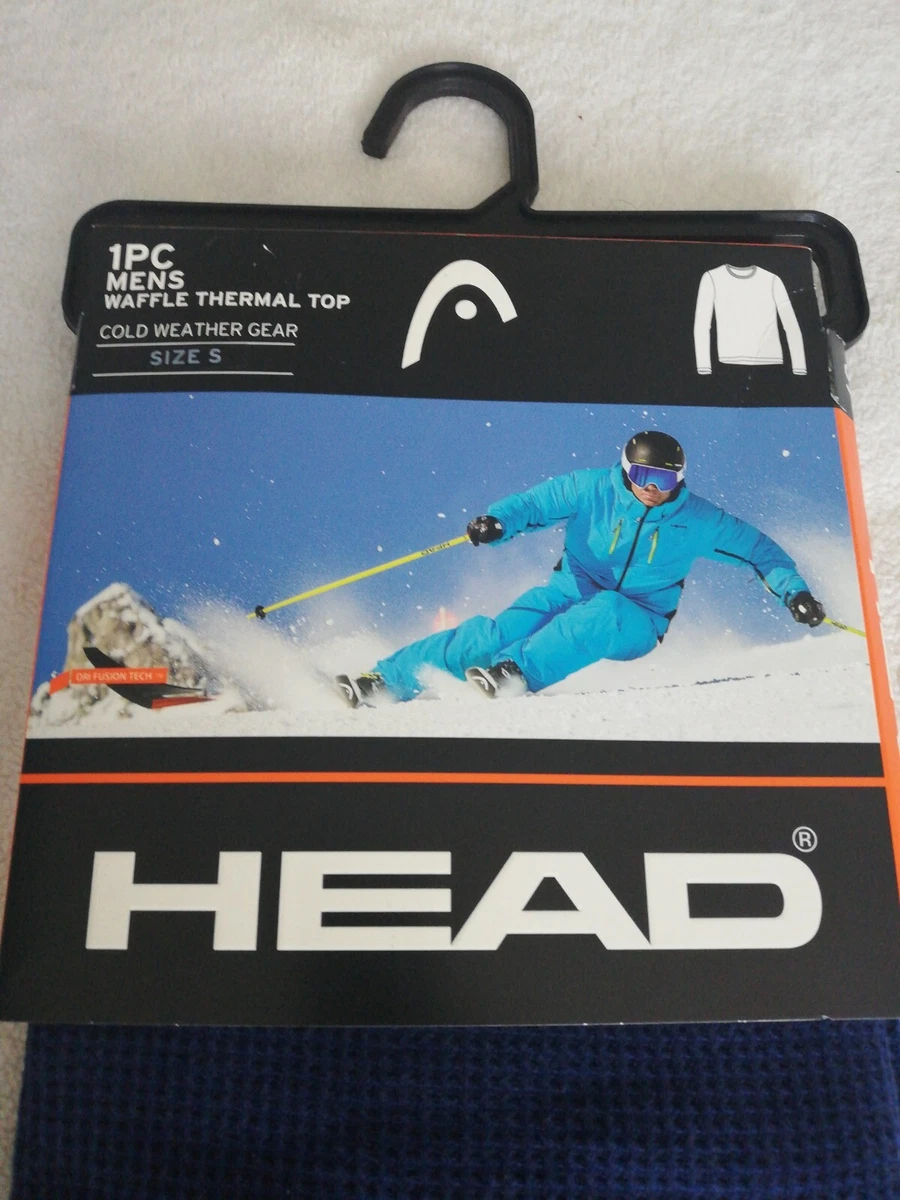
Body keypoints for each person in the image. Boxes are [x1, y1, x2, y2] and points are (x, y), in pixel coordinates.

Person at [335, 431, 826, 707]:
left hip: (638, 617)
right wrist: (498, 521)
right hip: (568, 589)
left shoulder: (697, 520)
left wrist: (795, 593)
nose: (651, 489)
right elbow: (534, 505)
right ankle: (383, 681)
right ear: (625, 470)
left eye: (664, 479)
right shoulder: (590, 488)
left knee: (605, 610)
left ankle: (516, 673)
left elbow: (761, 552)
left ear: (680, 479)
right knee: (493, 633)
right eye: (642, 475)